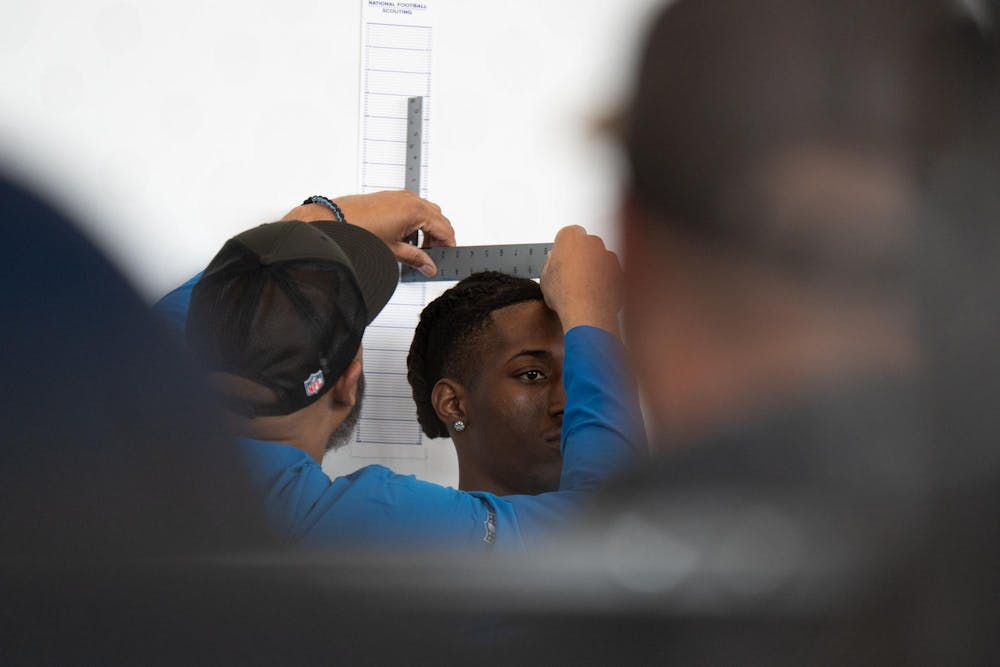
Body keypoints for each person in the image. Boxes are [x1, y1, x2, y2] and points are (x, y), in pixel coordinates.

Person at [154, 191, 646, 553]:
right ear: (349, 381)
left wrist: (304, 231)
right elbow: (614, 528)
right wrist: (592, 315)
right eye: (532, 374)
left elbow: (169, 334)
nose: (562, 399)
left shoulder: (129, 438)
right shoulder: (360, 525)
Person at [407, 271, 566, 495]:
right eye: (532, 375)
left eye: (576, 373)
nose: (569, 403)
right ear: (453, 404)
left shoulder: (626, 524)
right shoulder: (398, 523)